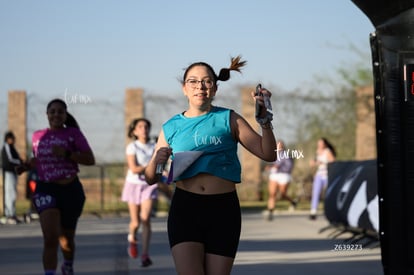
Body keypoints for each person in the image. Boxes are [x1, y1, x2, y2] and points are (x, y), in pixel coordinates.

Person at [145, 56, 277, 275]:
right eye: (193, 81)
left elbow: (268, 153)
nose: (200, 86)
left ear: (215, 88)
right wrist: (156, 161)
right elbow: (152, 177)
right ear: (184, 88)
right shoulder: (171, 127)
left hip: (223, 210)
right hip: (186, 209)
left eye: (206, 81)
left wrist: (265, 122)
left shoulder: (229, 119)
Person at [16, 98, 95, 275]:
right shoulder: (38, 136)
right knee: (50, 238)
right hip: (46, 188)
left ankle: (67, 264)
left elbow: (90, 160)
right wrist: (26, 166)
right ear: (47, 115)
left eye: (60, 111)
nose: (56, 115)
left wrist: (67, 153)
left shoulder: (73, 134)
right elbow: (40, 160)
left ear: (65, 115)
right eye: (52, 111)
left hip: (70, 189)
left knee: (66, 240)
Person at [121, 118, 158, 267]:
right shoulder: (132, 147)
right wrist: (151, 166)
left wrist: (163, 172)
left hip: (149, 185)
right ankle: (132, 238)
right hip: (133, 185)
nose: (144, 129)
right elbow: (134, 168)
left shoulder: (155, 146)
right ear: (134, 131)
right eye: (140, 126)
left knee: (145, 218)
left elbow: (160, 166)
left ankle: (145, 254)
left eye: (146, 126)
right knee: (135, 222)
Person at [266, 140, 296, 221]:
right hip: (274, 175)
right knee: (272, 194)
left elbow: (289, 166)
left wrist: (279, 167)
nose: (278, 146)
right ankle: (270, 212)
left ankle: (293, 202)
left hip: (284, 175)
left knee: (283, 194)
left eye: (280, 145)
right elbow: (272, 164)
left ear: (282, 146)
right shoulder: (273, 154)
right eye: (277, 145)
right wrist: (270, 167)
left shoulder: (286, 155)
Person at [309, 137, 336, 220]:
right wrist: (314, 163)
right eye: (318, 143)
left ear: (324, 144)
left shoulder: (327, 151)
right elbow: (312, 163)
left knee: (329, 193)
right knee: (315, 192)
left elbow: (333, 162)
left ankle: (331, 211)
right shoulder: (317, 152)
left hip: (327, 175)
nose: (319, 145)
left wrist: (323, 162)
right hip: (319, 175)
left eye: (321, 143)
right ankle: (313, 212)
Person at [1, 131, 23, 224]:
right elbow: (10, 159)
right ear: (7, 139)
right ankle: (9, 214)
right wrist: (19, 162)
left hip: (13, 173)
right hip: (8, 173)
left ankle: (12, 214)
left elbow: (17, 157)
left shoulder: (12, 147)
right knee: (9, 194)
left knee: (13, 193)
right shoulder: (6, 146)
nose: (13, 140)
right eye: (11, 138)